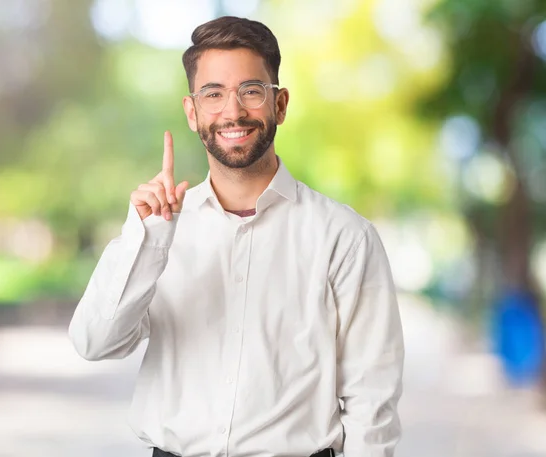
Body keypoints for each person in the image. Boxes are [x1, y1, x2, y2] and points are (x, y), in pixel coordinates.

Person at [69, 16, 404, 457]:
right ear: (192, 112)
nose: (232, 112)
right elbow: (95, 342)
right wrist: (149, 239)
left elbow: (372, 403)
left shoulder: (344, 236)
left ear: (279, 104)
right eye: (213, 94)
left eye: (250, 91)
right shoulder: (159, 231)